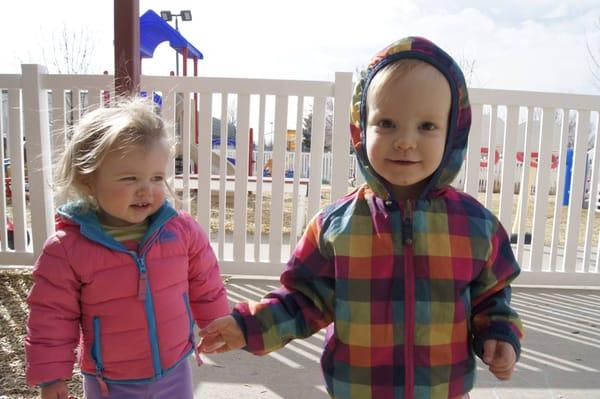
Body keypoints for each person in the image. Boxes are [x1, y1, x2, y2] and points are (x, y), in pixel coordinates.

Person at [199, 36, 524, 399]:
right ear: (360, 126)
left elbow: (493, 295)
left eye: (427, 126)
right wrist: (248, 325)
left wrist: (500, 334)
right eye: (386, 123)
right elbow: (302, 300)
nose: (404, 141)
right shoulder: (336, 225)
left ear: (453, 133)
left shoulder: (476, 226)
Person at [25, 98, 230, 399]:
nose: (146, 189)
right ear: (88, 178)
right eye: (130, 178)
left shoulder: (181, 231)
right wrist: (52, 377)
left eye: (157, 177)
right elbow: (51, 317)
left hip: (174, 370)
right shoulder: (67, 249)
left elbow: (206, 283)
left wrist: (216, 324)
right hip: (109, 382)